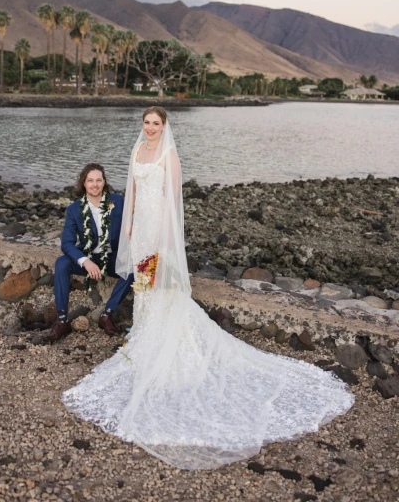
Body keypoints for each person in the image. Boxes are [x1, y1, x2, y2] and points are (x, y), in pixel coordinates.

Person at [63, 107, 354, 470]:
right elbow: (133, 193)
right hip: (140, 232)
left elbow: (173, 202)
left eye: (156, 124)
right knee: (144, 288)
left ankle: (167, 343)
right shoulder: (137, 152)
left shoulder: (170, 156)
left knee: (162, 289)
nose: (150, 128)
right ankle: (144, 339)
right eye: (146, 123)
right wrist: (131, 229)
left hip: (160, 233)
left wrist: (165, 241)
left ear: (164, 127)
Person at [45, 163, 134, 342]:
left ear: (104, 182)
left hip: (113, 257)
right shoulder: (74, 209)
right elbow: (67, 243)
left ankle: (106, 314)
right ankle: (62, 321)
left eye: (98, 180)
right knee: (62, 263)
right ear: (83, 183)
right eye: (90, 180)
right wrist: (85, 261)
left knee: (133, 268)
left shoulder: (118, 201)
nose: (95, 184)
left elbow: (135, 223)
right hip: (89, 256)